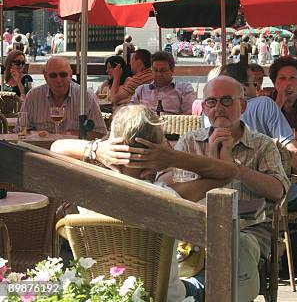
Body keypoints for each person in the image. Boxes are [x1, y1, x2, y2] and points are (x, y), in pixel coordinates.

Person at [140, 76, 288, 301]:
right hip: (193, 228)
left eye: (227, 101)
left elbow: (278, 190)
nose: (218, 108)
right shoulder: (190, 141)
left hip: (250, 229)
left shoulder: (262, 144)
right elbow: (165, 184)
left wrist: (234, 169)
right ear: (204, 107)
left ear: (243, 105)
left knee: (238, 244)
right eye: (211, 102)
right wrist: (210, 164)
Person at [49, 105, 216, 301]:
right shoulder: (169, 196)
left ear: (111, 141)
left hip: (105, 293)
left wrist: (94, 149)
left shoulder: (89, 190)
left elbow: (56, 148)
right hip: (165, 297)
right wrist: (173, 157)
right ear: (161, 144)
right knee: (213, 272)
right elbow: (227, 173)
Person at [18, 56, 107, 137]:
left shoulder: (86, 97)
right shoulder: (33, 96)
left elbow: (101, 133)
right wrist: (38, 134)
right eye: (53, 75)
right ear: (45, 77)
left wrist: (70, 134)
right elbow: (20, 130)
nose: (58, 80)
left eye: (63, 75)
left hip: (73, 153)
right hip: (39, 151)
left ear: (70, 75)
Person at [129, 51, 195, 115]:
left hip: (173, 124)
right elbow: (130, 111)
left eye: (163, 70)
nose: (158, 74)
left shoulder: (184, 89)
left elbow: (189, 114)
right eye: (155, 70)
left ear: (172, 70)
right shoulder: (141, 90)